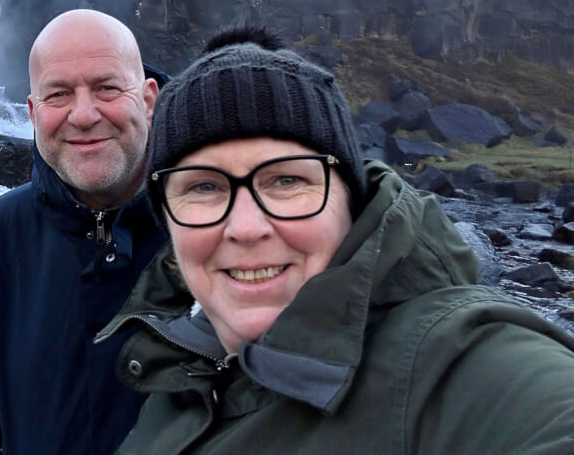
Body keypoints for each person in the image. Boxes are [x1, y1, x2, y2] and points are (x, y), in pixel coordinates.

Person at [100, 25, 574, 454]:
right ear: (167, 218)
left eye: (286, 181)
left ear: (350, 197)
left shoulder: (461, 368)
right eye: (203, 187)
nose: (246, 227)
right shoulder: (177, 380)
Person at [0, 9, 168, 454]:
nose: (83, 115)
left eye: (107, 88)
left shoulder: (214, 228)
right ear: (32, 112)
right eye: (59, 94)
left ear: (148, 99)